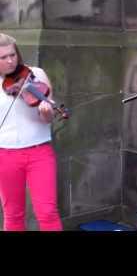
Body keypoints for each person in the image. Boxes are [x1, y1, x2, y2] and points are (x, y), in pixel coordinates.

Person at [0, 32, 63, 231]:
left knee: (47, 212)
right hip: (6, 155)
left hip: (39, 152)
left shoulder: (36, 74)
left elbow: (48, 118)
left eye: (13, 55)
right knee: (13, 214)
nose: (10, 61)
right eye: (3, 57)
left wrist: (46, 112)